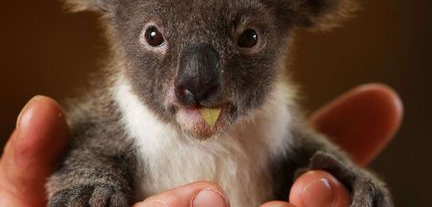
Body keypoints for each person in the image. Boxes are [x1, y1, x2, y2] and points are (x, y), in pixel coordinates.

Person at [0, 84, 402, 207]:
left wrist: (344, 180)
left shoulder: (273, 116)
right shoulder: (120, 113)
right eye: (155, 36)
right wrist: (90, 187)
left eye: (248, 38)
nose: (196, 83)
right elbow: (85, 158)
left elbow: (300, 152)